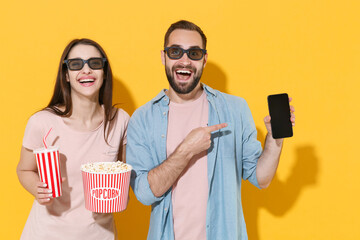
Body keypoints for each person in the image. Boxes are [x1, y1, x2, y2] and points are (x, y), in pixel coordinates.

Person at [126, 20, 296, 240]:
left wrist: (274, 140)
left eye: (194, 53)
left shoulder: (235, 109)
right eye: (175, 51)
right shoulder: (143, 118)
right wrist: (186, 149)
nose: (184, 60)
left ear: (204, 59)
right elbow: (143, 193)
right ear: (163, 56)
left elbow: (261, 178)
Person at [16, 38, 129, 240]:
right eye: (76, 64)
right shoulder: (42, 122)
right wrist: (37, 188)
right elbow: (24, 169)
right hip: (46, 234)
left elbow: (126, 173)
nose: (86, 70)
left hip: (100, 235)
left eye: (94, 63)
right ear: (66, 75)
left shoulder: (119, 121)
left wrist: (121, 193)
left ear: (104, 71)